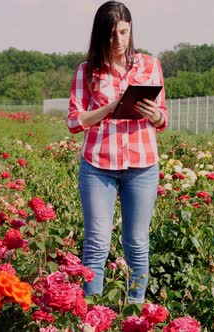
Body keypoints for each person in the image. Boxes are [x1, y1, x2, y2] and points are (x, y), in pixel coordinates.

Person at [66, 1, 167, 304]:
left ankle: (134, 313)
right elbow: (74, 121)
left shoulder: (149, 66)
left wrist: (153, 114)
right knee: (97, 242)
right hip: (98, 164)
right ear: (100, 36)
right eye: (112, 35)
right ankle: (92, 314)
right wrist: (109, 109)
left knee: (136, 242)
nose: (119, 41)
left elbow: (163, 119)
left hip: (142, 164)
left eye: (124, 32)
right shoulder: (88, 71)